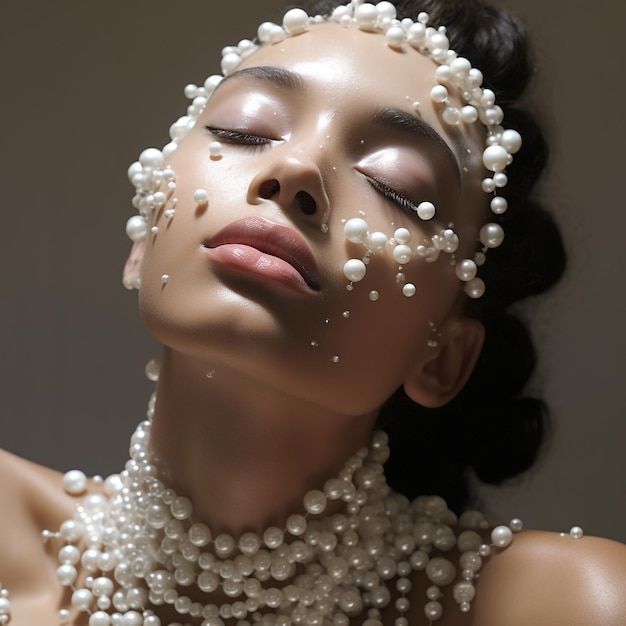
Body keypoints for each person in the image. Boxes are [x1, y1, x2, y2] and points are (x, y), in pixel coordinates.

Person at [1, 1, 625, 625]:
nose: (295, 171)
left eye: (395, 185)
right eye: (244, 130)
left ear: (442, 356)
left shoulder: (568, 604)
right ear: (143, 242)